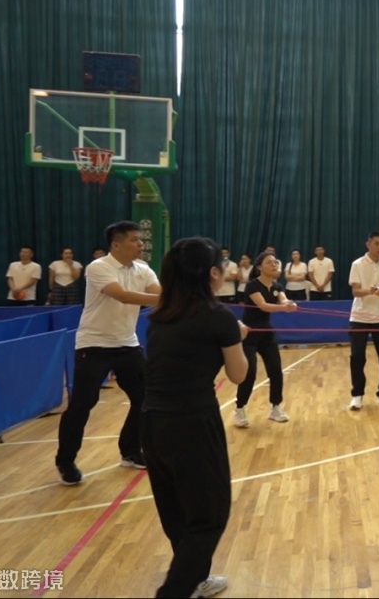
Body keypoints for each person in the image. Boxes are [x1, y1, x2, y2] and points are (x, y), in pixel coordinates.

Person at [142, 237, 248, 599]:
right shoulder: (218, 317)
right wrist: (237, 337)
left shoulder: (159, 317)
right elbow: (238, 374)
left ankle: (196, 580)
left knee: (177, 514)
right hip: (191, 424)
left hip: (152, 423)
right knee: (208, 518)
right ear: (213, 273)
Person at [55, 221, 161, 486]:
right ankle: (65, 461)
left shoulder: (143, 269)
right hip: (94, 345)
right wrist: (172, 298)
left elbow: (158, 293)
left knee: (145, 398)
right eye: (135, 240)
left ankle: (131, 451)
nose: (141, 244)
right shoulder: (99, 267)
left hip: (128, 344)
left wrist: (174, 296)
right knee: (82, 404)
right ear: (116, 245)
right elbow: (123, 296)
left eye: (141, 240)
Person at [234, 252, 298, 427]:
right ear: (260, 267)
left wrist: (289, 304)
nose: (274, 264)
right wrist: (284, 308)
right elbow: (263, 306)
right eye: (269, 262)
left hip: (267, 333)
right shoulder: (252, 285)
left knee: (276, 370)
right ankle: (239, 408)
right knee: (250, 372)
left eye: (275, 262)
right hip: (249, 333)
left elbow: (283, 299)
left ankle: (275, 407)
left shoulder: (277, 286)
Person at [347, 231, 379, 411]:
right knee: (357, 356)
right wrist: (370, 291)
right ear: (368, 244)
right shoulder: (357, 264)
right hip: (359, 316)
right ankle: (357, 394)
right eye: (376, 243)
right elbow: (355, 291)